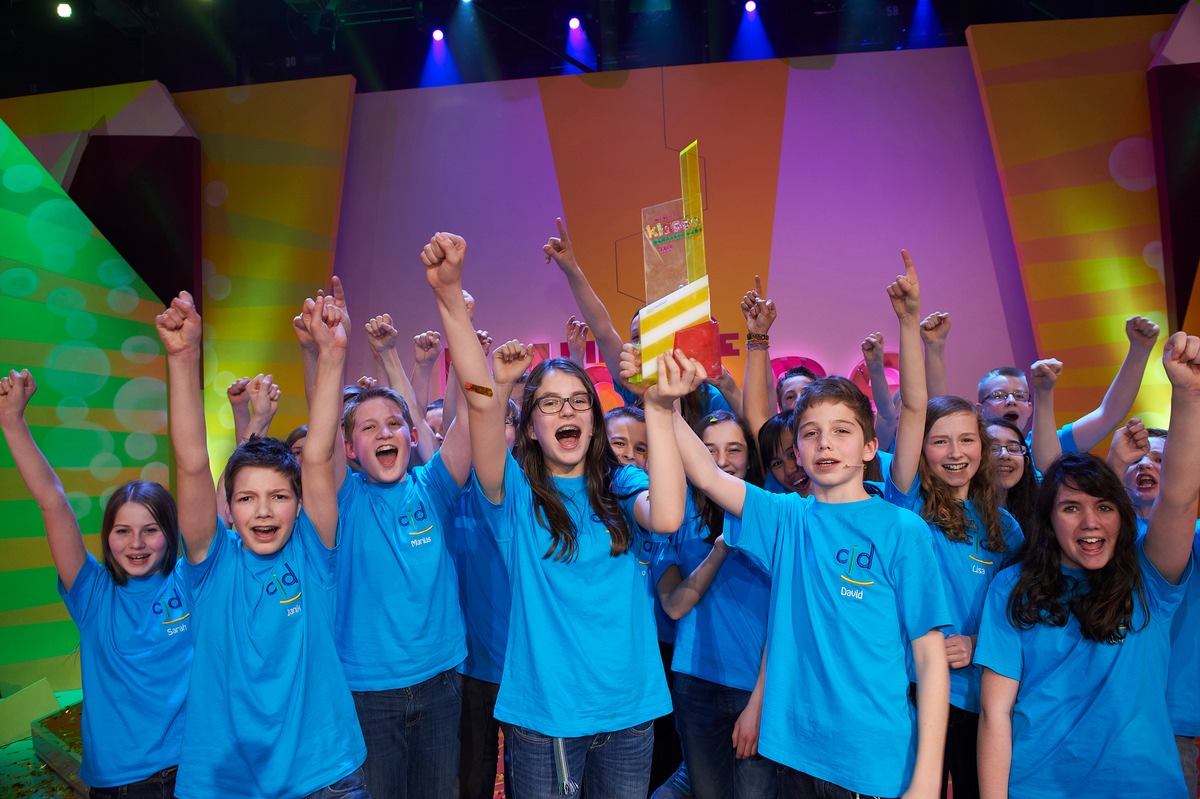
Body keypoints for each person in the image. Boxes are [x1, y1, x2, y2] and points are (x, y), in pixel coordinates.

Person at [663, 251, 951, 799]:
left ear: (870, 447)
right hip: (790, 755)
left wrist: (927, 779)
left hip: (874, 762)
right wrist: (668, 407)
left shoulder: (900, 530)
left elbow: (930, 657)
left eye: (843, 432)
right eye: (812, 433)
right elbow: (704, 471)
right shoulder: (787, 517)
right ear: (794, 448)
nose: (825, 444)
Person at [423, 231, 687, 798]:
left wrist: (658, 407)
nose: (565, 411)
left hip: (628, 711)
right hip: (543, 719)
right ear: (535, 424)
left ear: (593, 420)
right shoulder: (513, 494)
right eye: (548, 403)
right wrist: (451, 296)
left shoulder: (623, 484)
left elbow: (666, 517)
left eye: (577, 402)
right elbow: (480, 401)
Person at [159, 290, 368, 799]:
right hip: (225, 782)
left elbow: (317, 457)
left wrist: (333, 354)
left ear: (299, 505)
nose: (265, 510)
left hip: (326, 775)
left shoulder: (312, 554)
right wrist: (183, 358)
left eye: (278, 496)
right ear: (227, 507)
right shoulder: (211, 564)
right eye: (247, 498)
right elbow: (190, 464)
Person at [976, 331, 1200, 799]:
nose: (1089, 522)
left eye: (1103, 507)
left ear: (1121, 515)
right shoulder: (1011, 586)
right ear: (1048, 518)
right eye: (1071, 507)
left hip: (1144, 786)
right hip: (1038, 786)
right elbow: (995, 713)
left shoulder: (1149, 579)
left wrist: (1188, 393)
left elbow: (1178, 497)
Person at [0, 368, 191, 799]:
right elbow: (52, 500)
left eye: (150, 529)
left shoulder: (189, 582)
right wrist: (12, 421)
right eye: (122, 530)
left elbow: (203, 480)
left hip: (194, 770)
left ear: (171, 533)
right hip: (123, 783)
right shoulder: (92, 592)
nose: (136, 543)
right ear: (106, 536)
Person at [330, 305, 473, 799]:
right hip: (369, 693)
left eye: (394, 423)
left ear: (412, 436)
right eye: (367, 428)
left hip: (441, 683)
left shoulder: (433, 488)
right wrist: (327, 351)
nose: (384, 433)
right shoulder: (343, 498)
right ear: (350, 449)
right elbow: (320, 435)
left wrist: (456, 309)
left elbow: (474, 415)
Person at [653, 410, 776, 799]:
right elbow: (673, 605)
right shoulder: (673, 511)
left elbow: (786, 621)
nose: (722, 461)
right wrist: (720, 549)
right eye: (708, 450)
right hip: (695, 684)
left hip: (755, 685)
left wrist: (759, 701)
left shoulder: (770, 511)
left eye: (734, 449)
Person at [1107, 419, 1200, 799]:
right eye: (1137, 460)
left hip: (1170, 711)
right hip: (1104, 707)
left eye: (1161, 460)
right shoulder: (1095, 540)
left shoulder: (1193, 538)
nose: (1146, 466)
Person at [972, 316, 1160, 468]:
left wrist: (1139, 351)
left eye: (1020, 396)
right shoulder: (969, 452)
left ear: (1030, 409)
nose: (1011, 401)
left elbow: (1108, 414)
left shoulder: (1051, 445)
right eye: (999, 395)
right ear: (980, 410)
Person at [985, 418, 1037, 536]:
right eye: (993, 448)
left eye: (1013, 448)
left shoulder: (1038, 515)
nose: (1005, 455)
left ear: (1026, 461)